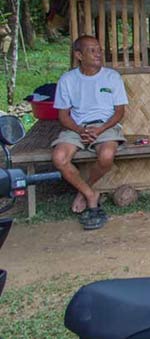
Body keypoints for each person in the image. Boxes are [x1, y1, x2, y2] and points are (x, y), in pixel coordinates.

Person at [51, 35, 128, 230]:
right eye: (92, 51)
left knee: (107, 155)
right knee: (59, 158)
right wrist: (80, 130)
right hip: (76, 127)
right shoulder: (68, 80)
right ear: (78, 55)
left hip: (105, 126)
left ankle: (82, 191)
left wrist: (100, 129)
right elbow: (63, 115)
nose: (98, 54)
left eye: (99, 50)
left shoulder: (112, 77)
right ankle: (91, 194)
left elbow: (119, 112)